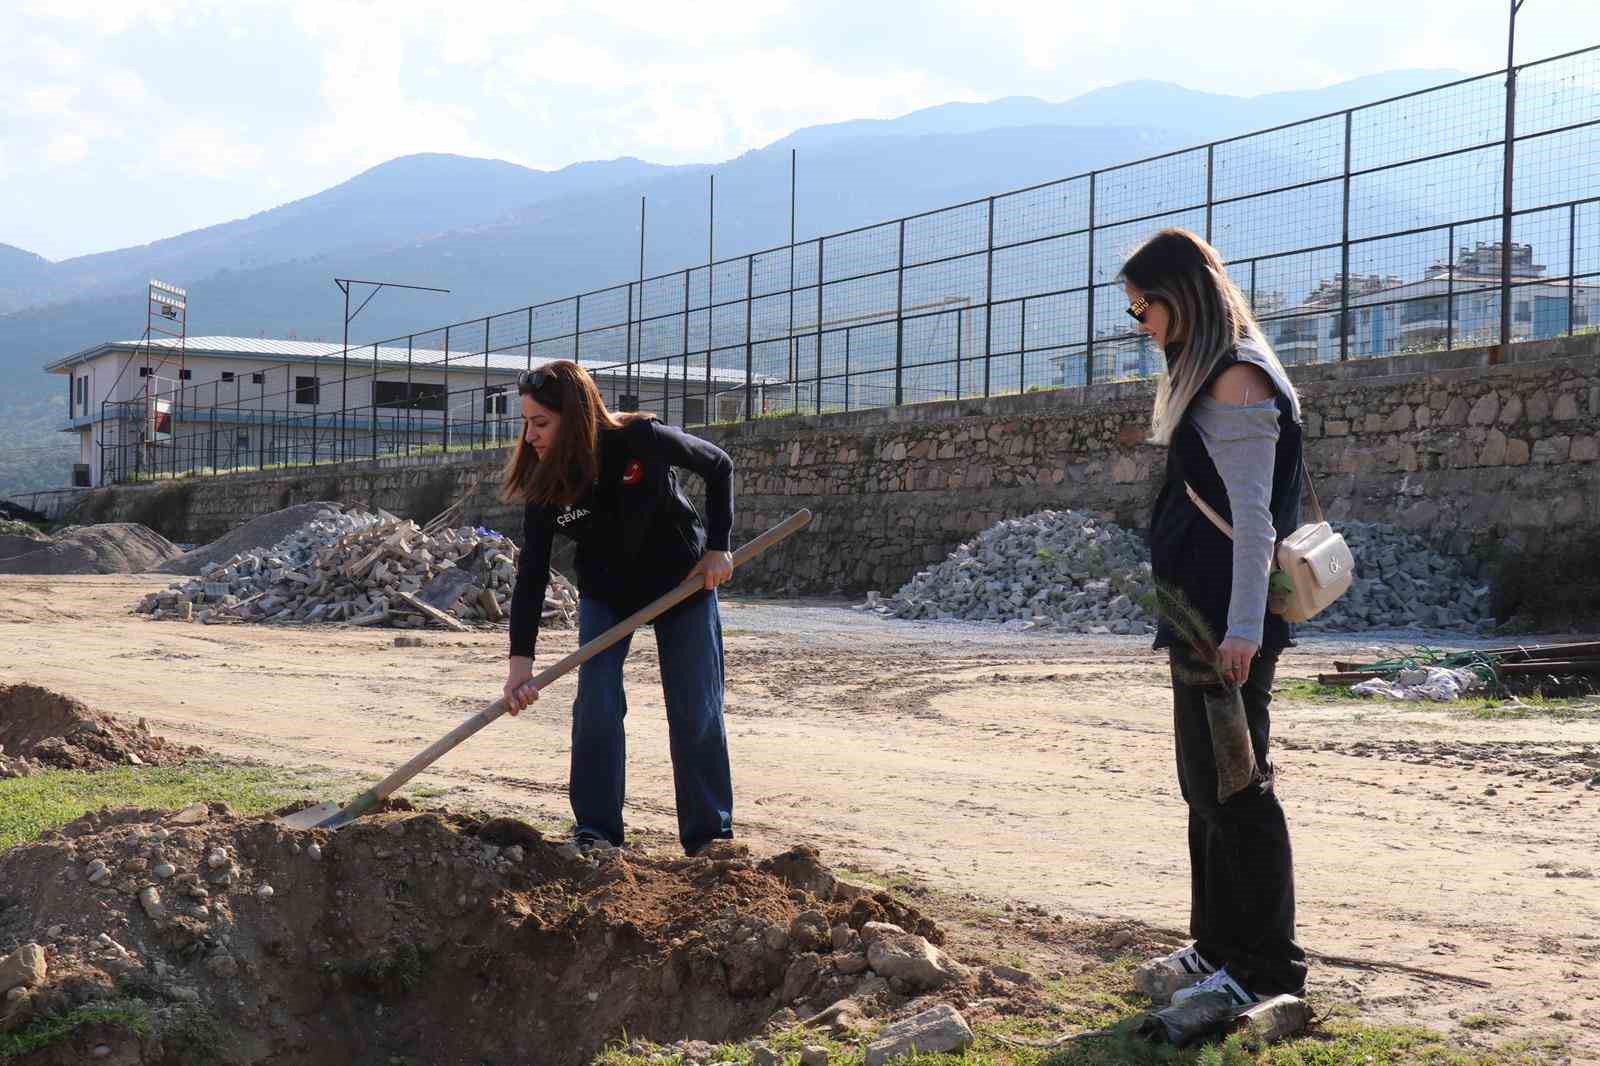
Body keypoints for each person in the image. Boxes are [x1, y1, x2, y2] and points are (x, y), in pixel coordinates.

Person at [1123, 229, 1309, 1006]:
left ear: (1182, 298)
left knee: (1239, 789)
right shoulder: (1208, 373)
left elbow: (1254, 517)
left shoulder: (1238, 379)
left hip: (1225, 623)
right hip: (1197, 617)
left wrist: (1242, 628)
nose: (1142, 327)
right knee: (1205, 785)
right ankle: (1215, 947)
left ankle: (1266, 968)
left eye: (1144, 310)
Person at [500, 360, 737, 858]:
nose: (530, 436)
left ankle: (709, 836)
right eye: (525, 424)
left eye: (540, 423)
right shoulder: (546, 485)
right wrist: (520, 663)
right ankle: (597, 831)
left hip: (682, 583)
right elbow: (532, 576)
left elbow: (718, 465)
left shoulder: (640, 439)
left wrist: (719, 548)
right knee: (598, 704)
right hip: (607, 593)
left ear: (575, 416)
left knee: (696, 706)